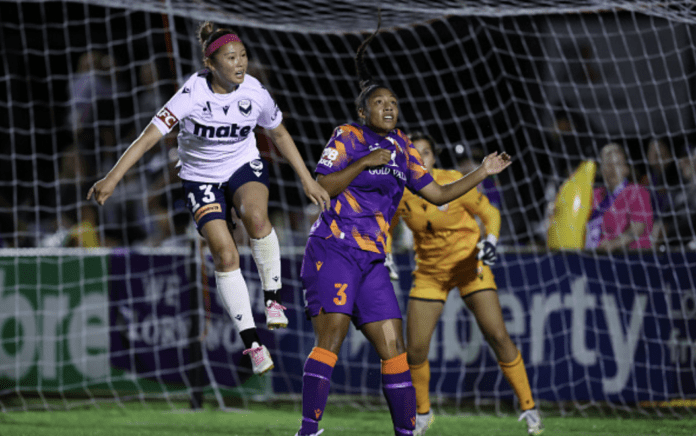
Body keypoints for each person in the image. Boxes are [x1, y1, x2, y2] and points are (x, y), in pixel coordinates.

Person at [295, 16, 512, 436]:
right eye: (380, 102)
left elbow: (438, 194)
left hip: (372, 259)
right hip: (334, 248)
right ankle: (310, 430)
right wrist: (361, 163)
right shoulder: (346, 137)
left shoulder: (403, 148)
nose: (389, 106)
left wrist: (482, 172)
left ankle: (406, 432)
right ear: (363, 112)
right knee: (332, 339)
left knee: (395, 348)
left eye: (393, 101)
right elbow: (322, 186)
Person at [87, 21, 331, 375]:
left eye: (243, 55)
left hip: (243, 165)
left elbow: (278, 132)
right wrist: (113, 177)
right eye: (231, 57)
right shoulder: (191, 94)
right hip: (200, 178)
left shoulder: (254, 90)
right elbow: (148, 137)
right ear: (211, 64)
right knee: (225, 253)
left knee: (257, 219)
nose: (240, 63)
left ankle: (273, 300)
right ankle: (252, 344)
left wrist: (307, 179)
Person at [389, 133, 543, 436]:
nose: (421, 158)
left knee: (497, 335)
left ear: (434, 158)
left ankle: (529, 408)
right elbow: (384, 228)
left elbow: (490, 213)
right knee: (416, 350)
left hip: (470, 267)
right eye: (414, 153)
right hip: (430, 274)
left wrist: (492, 242)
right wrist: (385, 256)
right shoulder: (398, 191)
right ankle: (423, 414)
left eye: (427, 153)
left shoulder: (453, 181)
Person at [585, 143, 653, 251]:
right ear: (601, 170)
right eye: (608, 164)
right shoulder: (594, 195)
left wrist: (614, 244)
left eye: (617, 164)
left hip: (629, 256)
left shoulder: (637, 192)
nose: (612, 169)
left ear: (626, 169)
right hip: (593, 254)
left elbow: (638, 227)